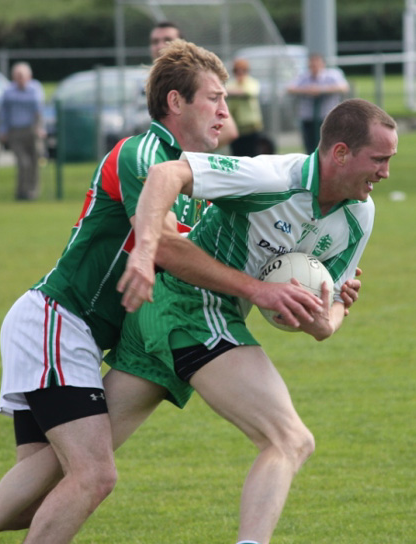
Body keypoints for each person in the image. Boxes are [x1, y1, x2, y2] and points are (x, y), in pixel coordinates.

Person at [0, 42, 361, 543]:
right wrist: (258, 289)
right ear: (176, 103)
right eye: (214, 99)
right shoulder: (146, 153)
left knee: (35, 496)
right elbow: (169, 251)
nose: (225, 111)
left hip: (83, 335)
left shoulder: (199, 176)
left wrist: (324, 293)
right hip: (59, 319)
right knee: (93, 475)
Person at [114, 98, 398, 543]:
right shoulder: (272, 177)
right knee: (290, 440)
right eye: (378, 160)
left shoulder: (360, 216)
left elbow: (327, 321)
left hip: (183, 317)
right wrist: (148, 250)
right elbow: (166, 173)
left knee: (79, 475)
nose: (385, 173)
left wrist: (323, 314)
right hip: (187, 304)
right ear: (341, 153)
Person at [149, 20, 239, 149]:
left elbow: (229, 131)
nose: (159, 46)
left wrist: (188, 159)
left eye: (167, 40)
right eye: (155, 42)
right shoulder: (152, 82)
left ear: (183, 44)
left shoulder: (196, 79)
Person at [0, 62, 45, 201]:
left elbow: (39, 111)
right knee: (23, 162)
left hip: (32, 130)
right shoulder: (8, 92)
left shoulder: (35, 89)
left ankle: (33, 191)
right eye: (17, 76)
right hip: (15, 131)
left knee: (35, 161)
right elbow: (3, 113)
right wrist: (3, 130)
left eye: (22, 76)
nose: (20, 79)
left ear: (29, 76)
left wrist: (40, 127)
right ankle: (21, 192)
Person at [287, 53, 350, 154]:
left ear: (322, 64)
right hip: (308, 117)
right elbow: (290, 88)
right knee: (310, 146)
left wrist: (321, 90)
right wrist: (307, 90)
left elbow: (343, 87)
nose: (314, 67)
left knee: (328, 145)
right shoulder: (303, 77)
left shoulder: (332, 75)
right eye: (311, 64)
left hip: (327, 117)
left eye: (316, 64)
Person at [226, 58, 266, 157]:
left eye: (242, 70)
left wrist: (233, 92)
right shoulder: (231, 84)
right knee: (236, 156)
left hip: (251, 128)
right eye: (237, 70)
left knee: (252, 156)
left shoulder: (252, 82)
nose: (240, 73)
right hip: (236, 128)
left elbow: (249, 92)